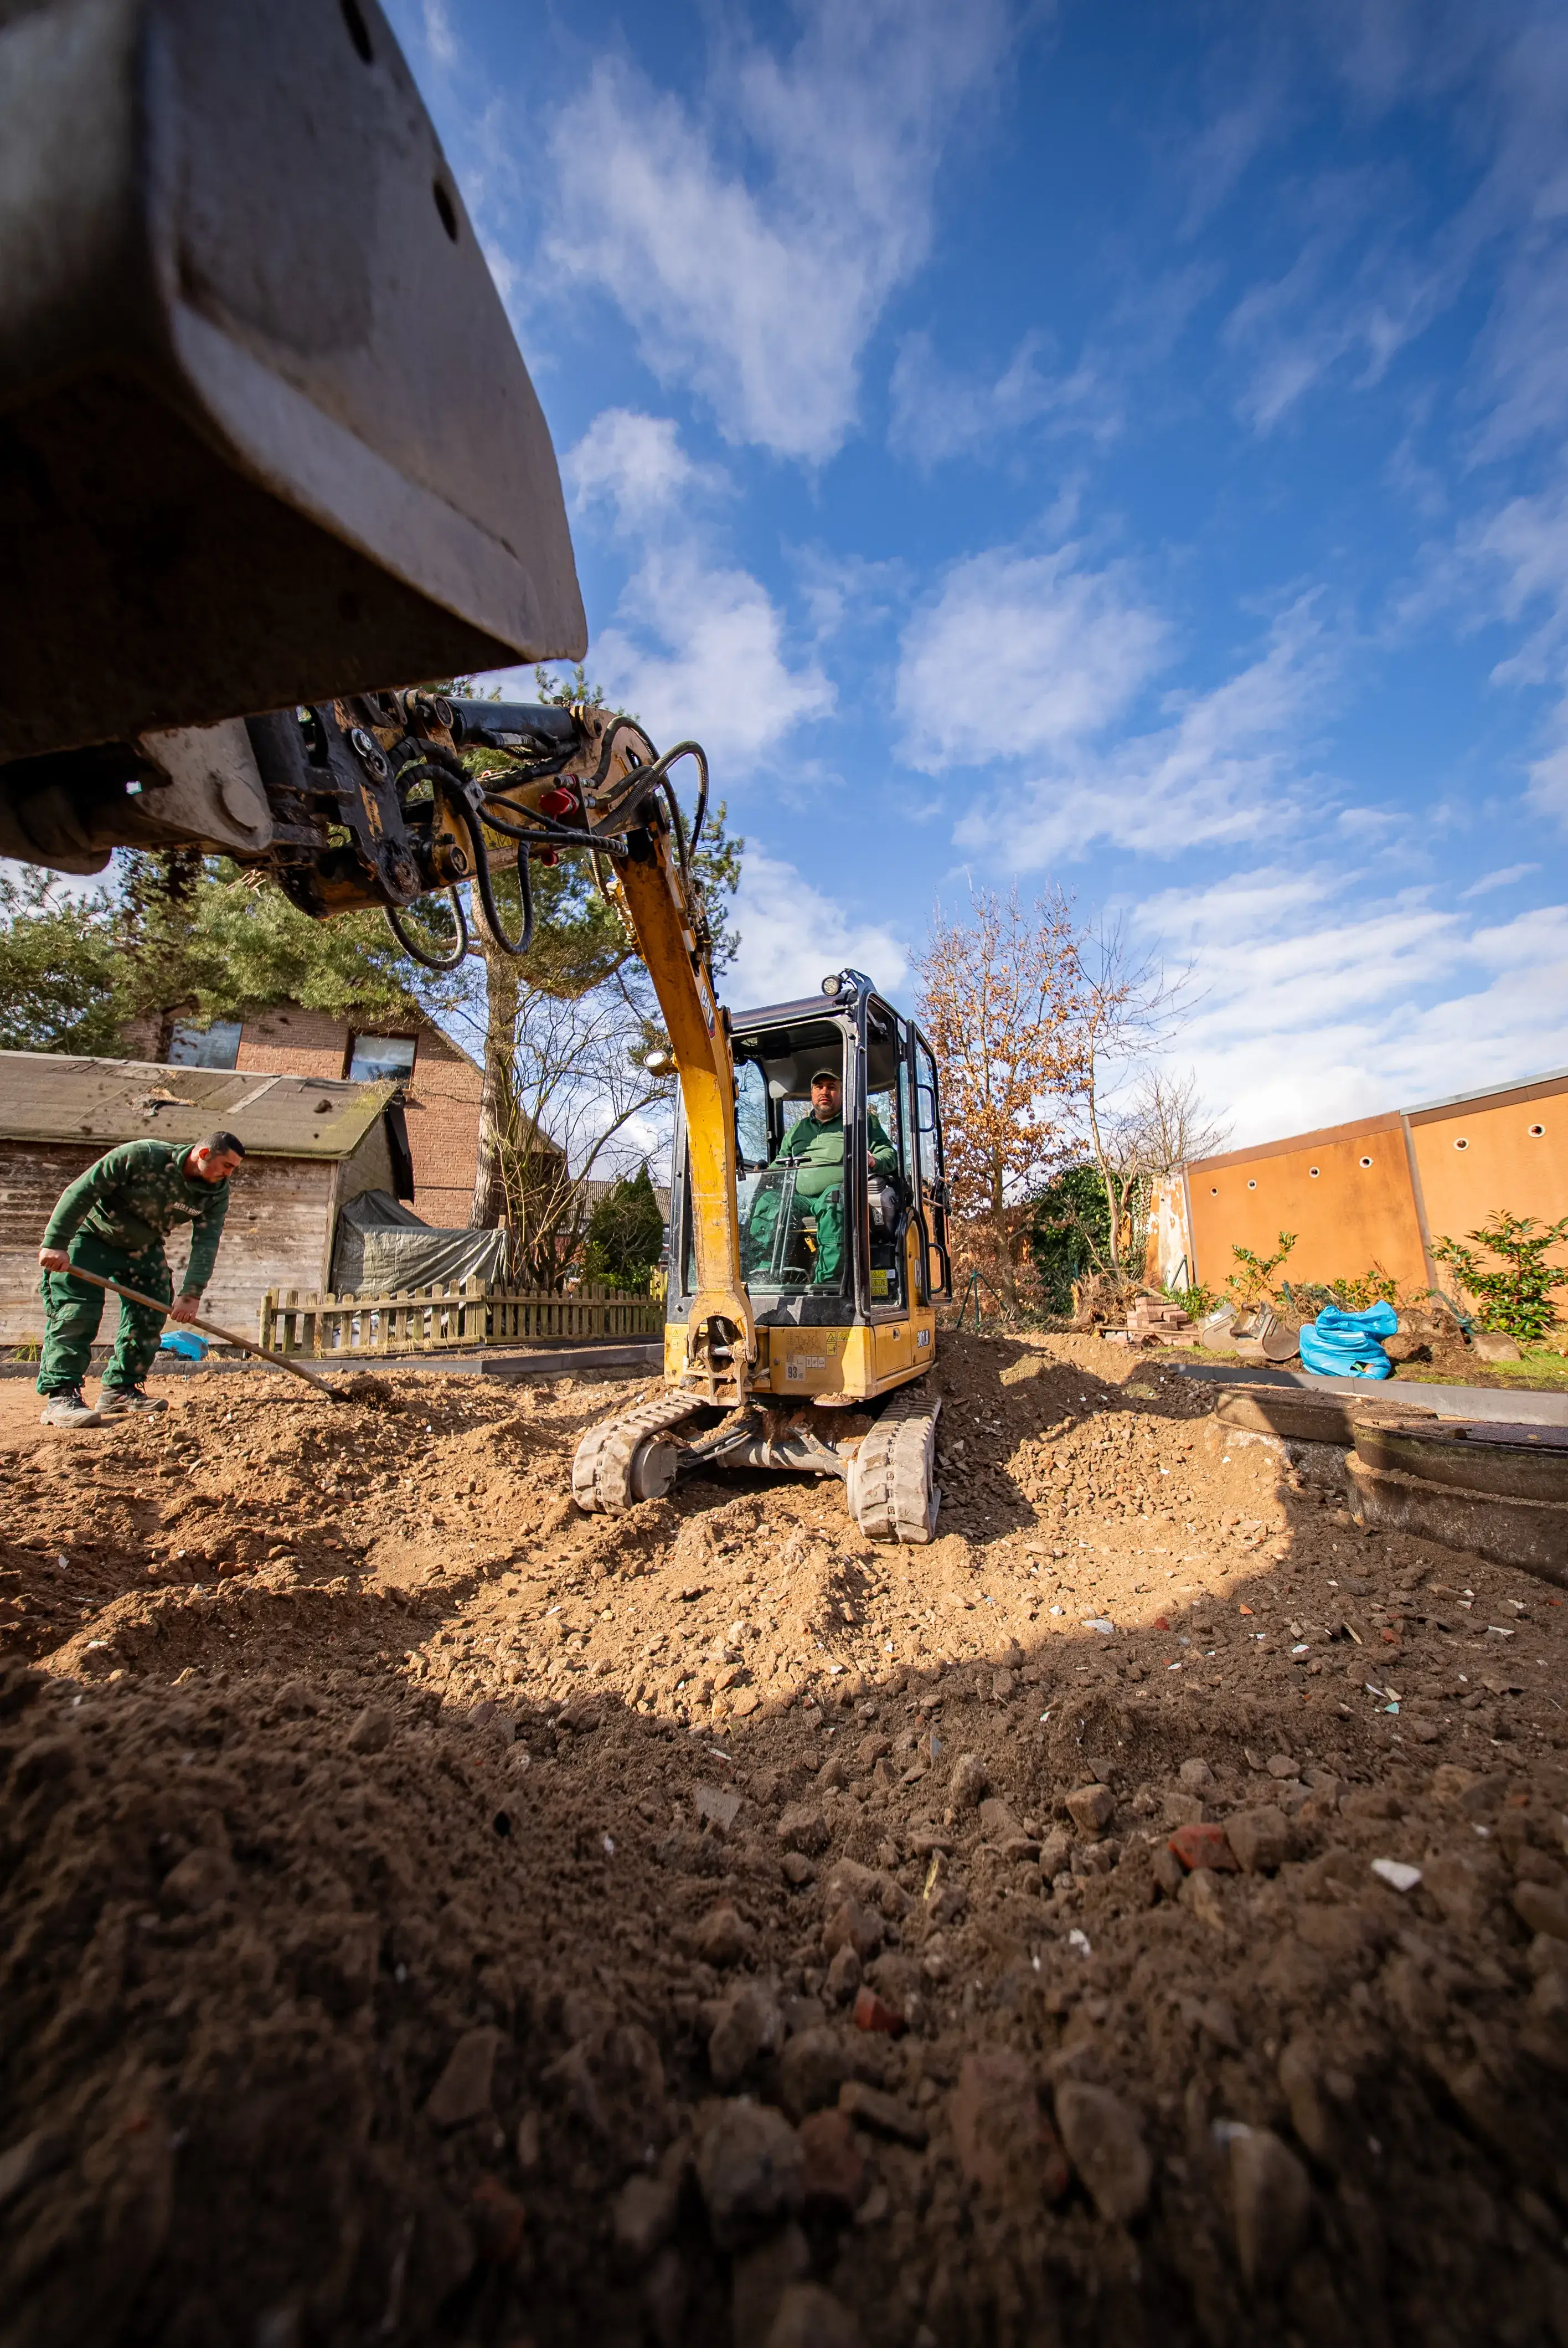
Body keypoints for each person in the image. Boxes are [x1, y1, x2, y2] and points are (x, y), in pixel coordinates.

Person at [35, 1131, 246, 1428]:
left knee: (153, 1307)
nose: (229, 1174)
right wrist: (55, 1242)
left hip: (143, 1245)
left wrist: (192, 1293)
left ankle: (120, 1389)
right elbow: (82, 1190)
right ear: (203, 1155)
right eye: (227, 1165)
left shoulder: (216, 1192)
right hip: (94, 1235)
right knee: (77, 1311)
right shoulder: (143, 1155)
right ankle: (61, 1396)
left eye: (234, 1168)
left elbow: (207, 1242)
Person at [743, 1067, 898, 1288]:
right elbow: (780, 1163)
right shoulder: (798, 1130)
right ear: (812, 1093)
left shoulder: (861, 1123)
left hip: (841, 1193)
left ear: (842, 1093)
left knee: (832, 1201)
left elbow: (890, 1155)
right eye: (819, 1087)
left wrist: (873, 1160)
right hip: (800, 1199)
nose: (825, 1091)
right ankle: (764, 1274)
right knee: (768, 1202)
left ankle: (828, 1284)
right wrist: (763, 1175)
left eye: (831, 1087)